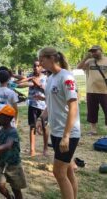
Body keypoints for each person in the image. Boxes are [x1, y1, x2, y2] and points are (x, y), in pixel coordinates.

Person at [36, 47, 80, 199]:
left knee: (58, 172)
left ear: (52, 58)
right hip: (56, 131)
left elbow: (73, 105)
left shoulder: (66, 77)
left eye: (42, 59)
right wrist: (41, 118)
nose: (40, 63)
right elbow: (50, 103)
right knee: (67, 171)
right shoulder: (51, 77)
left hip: (67, 133)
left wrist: (66, 135)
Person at [0, 104, 27, 199]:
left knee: (16, 189)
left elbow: (8, 145)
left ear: (7, 118)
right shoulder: (1, 131)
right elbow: (0, 144)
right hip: (2, 164)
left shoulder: (13, 132)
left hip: (14, 165)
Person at [17, 61, 49, 156]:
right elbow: (18, 84)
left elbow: (48, 91)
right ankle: (32, 149)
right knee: (32, 126)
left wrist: (38, 85)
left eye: (38, 66)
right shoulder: (30, 76)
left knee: (45, 127)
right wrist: (30, 79)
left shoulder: (46, 77)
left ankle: (45, 149)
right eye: (34, 66)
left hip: (43, 106)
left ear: (41, 67)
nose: (36, 68)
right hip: (32, 105)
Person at [77, 45, 107, 135]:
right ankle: (93, 130)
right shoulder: (89, 61)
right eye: (92, 51)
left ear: (100, 50)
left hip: (105, 90)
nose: (93, 53)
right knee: (92, 111)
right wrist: (86, 57)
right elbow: (79, 67)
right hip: (91, 90)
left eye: (95, 51)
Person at [0, 70, 19, 150]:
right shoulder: (11, 93)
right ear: (8, 79)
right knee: (9, 137)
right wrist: (15, 119)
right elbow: (15, 109)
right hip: (9, 119)